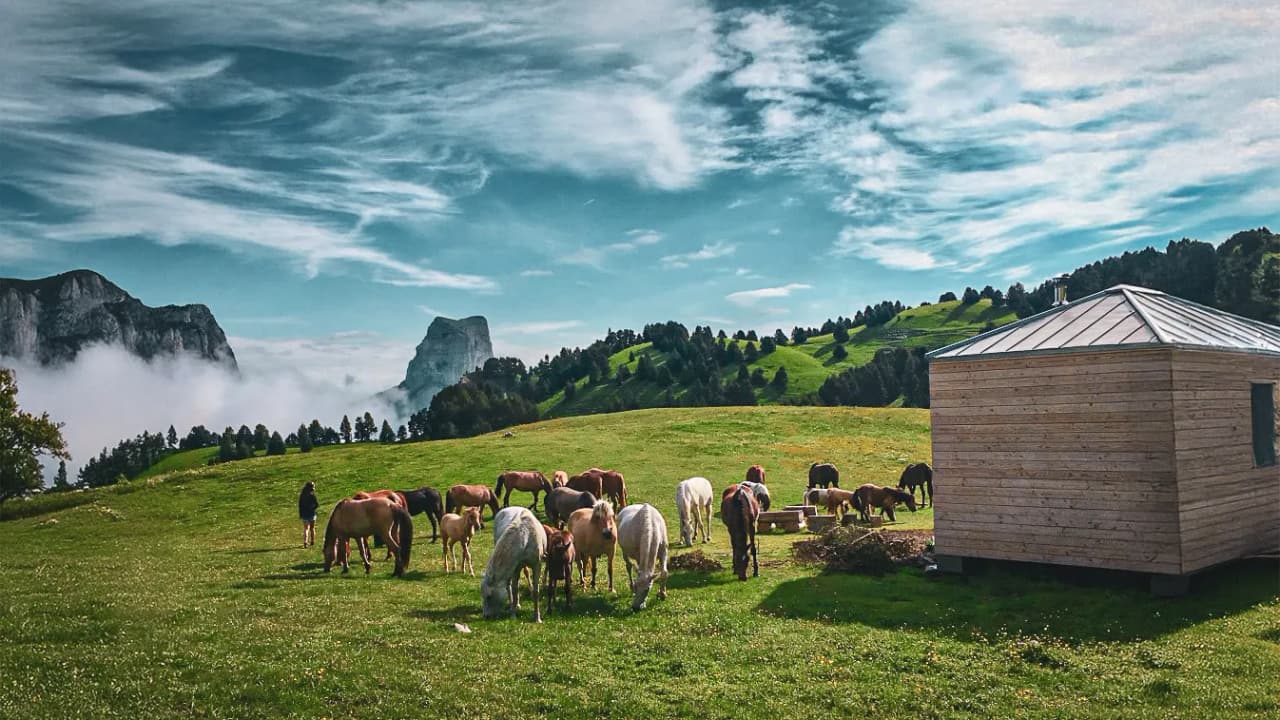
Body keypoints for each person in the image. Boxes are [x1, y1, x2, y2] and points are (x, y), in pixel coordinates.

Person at [298, 481, 319, 548]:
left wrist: (301, 513)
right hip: (312, 513)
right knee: (312, 528)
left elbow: (300, 505)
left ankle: (305, 542)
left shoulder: (302, 495)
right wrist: (313, 509)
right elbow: (317, 504)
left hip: (304, 514)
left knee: (306, 528)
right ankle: (312, 541)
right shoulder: (312, 495)